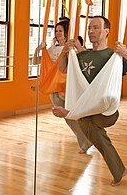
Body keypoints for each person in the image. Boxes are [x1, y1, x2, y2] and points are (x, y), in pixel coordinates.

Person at [53, 16, 127, 186]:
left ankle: (72, 114)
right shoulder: (83, 55)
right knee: (88, 124)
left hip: (107, 111)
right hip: (89, 111)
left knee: (85, 121)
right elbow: (63, 68)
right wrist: (65, 52)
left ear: (106, 31)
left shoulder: (113, 56)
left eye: (95, 28)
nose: (91, 31)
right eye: (89, 28)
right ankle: (118, 170)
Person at [35, 19, 92, 154]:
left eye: (60, 30)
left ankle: (86, 140)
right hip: (53, 86)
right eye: (56, 31)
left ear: (66, 32)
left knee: (70, 115)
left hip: (65, 86)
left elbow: (79, 62)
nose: (58, 33)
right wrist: (39, 49)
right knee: (67, 116)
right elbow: (36, 61)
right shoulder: (52, 49)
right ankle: (86, 138)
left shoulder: (68, 49)